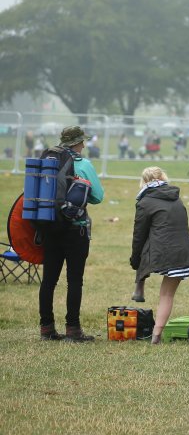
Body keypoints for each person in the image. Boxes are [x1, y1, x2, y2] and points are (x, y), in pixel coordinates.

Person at [38, 126, 104, 342]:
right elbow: (97, 197)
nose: (84, 145)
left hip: (49, 227)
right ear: (76, 143)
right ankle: (73, 330)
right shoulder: (83, 164)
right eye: (82, 142)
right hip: (76, 228)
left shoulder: (48, 161)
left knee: (48, 280)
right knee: (74, 280)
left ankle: (46, 328)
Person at [130, 167, 189, 344]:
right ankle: (156, 335)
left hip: (163, 253)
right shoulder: (177, 198)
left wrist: (135, 260)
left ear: (144, 182)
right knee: (167, 295)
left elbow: (139, 235)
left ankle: (139, 284)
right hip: (184, 253)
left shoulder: (144, 202)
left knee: (144, 247)